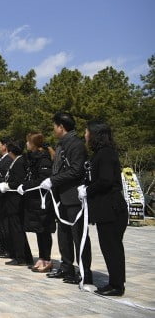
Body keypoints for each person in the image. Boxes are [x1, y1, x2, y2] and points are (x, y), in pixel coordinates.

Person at [42, 112, 93, 286]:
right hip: (61, 197)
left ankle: (85, 272)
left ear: (61, 127)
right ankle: (66, 267)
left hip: (73, 197)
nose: (53, 129)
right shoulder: (63, 144)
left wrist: (53, 180)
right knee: (63, 234)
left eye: (54, 126)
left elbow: (76, 170)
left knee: (79, 236)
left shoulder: (76, 144)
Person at [82, 120, 128, 296]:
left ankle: (117, 285)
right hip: (106, 209)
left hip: (112, 208)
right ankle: (115, 282)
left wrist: (87, 189)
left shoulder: (106, 154)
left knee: (112, 247)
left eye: (87, 132)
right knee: (109, 247)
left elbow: (106, 180)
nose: (85, 135)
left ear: (95, 134)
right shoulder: (100, 154)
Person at [18, 132, 56, 273]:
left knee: (44, 231)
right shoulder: (33, 157)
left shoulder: (44, 158)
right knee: (39, 231)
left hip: (43, 200)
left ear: (33, 143)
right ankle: (41, 258)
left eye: (28, 142)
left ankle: (46, 259)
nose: (26, 144)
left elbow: (43, 179)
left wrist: (26, 186)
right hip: (34, 200)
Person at [0, 140, 33, 266]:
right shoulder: (17, 161)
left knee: (17, 230)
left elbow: (18, 181)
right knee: (17, 229)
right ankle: (25, 256)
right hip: (13, 201)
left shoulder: (19, 162)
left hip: (15, 201)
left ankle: (21, 257)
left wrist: (7, 185)